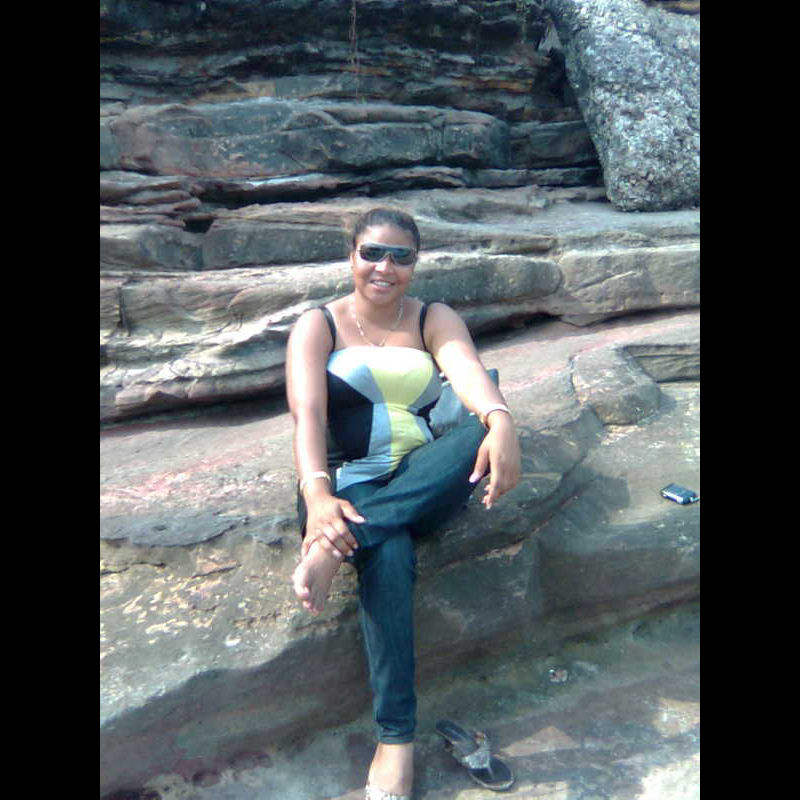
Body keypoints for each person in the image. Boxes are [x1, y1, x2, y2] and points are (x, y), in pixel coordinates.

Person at [286, 207, 521, 800]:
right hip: (350, 482)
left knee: (479, 431)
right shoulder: (318, 323)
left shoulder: (432, 317)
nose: (384, 267)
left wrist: (500, 419)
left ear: (416, 264)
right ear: (351, 255)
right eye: (372, 253)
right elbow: (307, 415)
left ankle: (338, 547)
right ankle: (395, 741)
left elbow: (467, 372)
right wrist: (318, 495)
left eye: (401, 256)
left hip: (426, 475)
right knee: (389, 556)